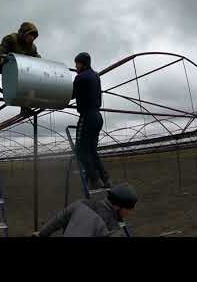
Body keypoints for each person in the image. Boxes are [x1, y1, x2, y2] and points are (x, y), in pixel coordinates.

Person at [33, 183, 137, 237]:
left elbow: (58, 220)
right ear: (118, 206)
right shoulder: (112, 228)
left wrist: (41, 234)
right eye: (128, 209)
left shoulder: (82, 203)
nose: (129, 213)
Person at [72, 52, 111, 190]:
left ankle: (94, 180)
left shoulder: (80, 77)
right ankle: (105, 178)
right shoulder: (95, 76)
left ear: (82, 64)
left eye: (77, 63)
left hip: (87, 116)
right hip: (97, 116)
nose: (75, 66)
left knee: (80, 151)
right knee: (92, 150)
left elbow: (71, 94)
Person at [0, 22, 41, 116]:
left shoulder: (32, 47)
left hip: (22, 72)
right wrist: (2, 59)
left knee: (29, 83)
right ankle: (23, 106)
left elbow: (37, 58)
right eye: (30, 35)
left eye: (33, 36)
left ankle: (25, 107)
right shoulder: (11, 39)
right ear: (24, 33)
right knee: (18, 85)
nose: (31, 38)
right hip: (7, 67)